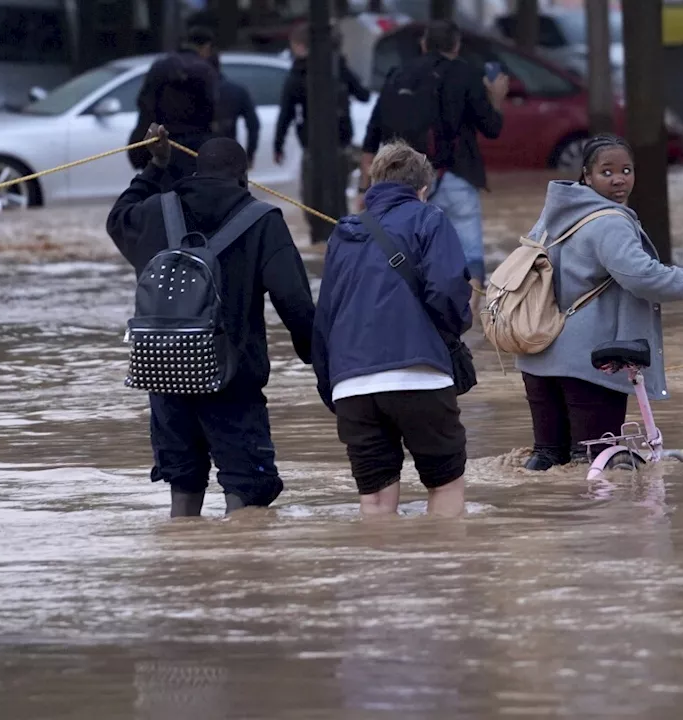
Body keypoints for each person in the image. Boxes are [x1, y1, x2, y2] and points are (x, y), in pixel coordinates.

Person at [106, 126, 316, 516]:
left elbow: (117, 218)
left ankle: (186, 568)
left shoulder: (155, 210)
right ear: (244, 177)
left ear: (197, 170)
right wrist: (319, 362)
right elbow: (295, 302)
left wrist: (155, 168)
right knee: (247, 492)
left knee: (184, 486)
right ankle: (236, 570)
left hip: (166, 376)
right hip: (233, 381)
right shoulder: (263, 220)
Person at [516, 135, 683, 471]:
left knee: (548, 463)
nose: (619, 178)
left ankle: (541, 522)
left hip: (537, 358)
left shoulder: (552, 217)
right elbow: (644, 277)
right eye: (607, 172)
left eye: (626, 170)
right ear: (587, 177)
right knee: (596, 465)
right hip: (591, 364)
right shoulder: (609, 221)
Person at [312, 141, 473, 518]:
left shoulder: (343, 233)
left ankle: (383, 572)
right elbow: (447, 292)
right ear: (422, 189)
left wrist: (331, 386)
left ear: (373, 184)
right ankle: (449, 574)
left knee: (375, 501)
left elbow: (325, 317)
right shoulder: (429, 219)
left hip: (352, 386)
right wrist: (452, 333)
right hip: (420, 377)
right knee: (445, 485)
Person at [361, 20, 507, 301]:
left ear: (424, 44)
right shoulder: (466, 74)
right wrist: (496, 99)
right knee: (469, 253)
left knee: (412, 253)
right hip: (456, 174)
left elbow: (372, 135)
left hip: (406, 182)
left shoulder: (398, 74)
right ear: (456, 45)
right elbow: (492, 128)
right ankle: (473, 318)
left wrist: (364, 187)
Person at [273, 22, 370, 243]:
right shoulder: (336, 68)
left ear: (300, 46)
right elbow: (363, 94)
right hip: (338, 144)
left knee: (314, 198)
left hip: (319, 147)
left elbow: (286, 112)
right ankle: (337, 238)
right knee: (336, 197)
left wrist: (278, 145)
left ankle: (325, 238)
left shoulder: (300, 73)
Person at [127, 26, 220, 175]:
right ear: (206, 47)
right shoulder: (205, 70)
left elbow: (144, 104)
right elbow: (213, 111)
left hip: (160, 144)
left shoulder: (160, 66)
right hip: (194, 148)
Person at [211, 52, 260, 166]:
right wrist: (249, 155)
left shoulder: (191, 93)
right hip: (229, 155)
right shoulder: (236, 91)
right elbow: (253, 125)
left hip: (195, 155)